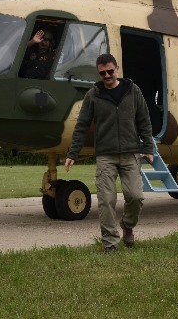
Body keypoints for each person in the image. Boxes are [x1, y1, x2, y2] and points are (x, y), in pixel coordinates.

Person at [64, 53, 155, 253]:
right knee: (106, 200)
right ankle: (110, 243)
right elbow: (82, 125)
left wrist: (148, 147)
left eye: (110, 71)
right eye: (102, 73)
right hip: (105, 155)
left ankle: (128, 226)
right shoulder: (93, 95)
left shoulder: (132, 90)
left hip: (131, 153)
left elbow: (144, 119)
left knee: (135, 196)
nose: (106, 76)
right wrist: (73, 153)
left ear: (117, 69)